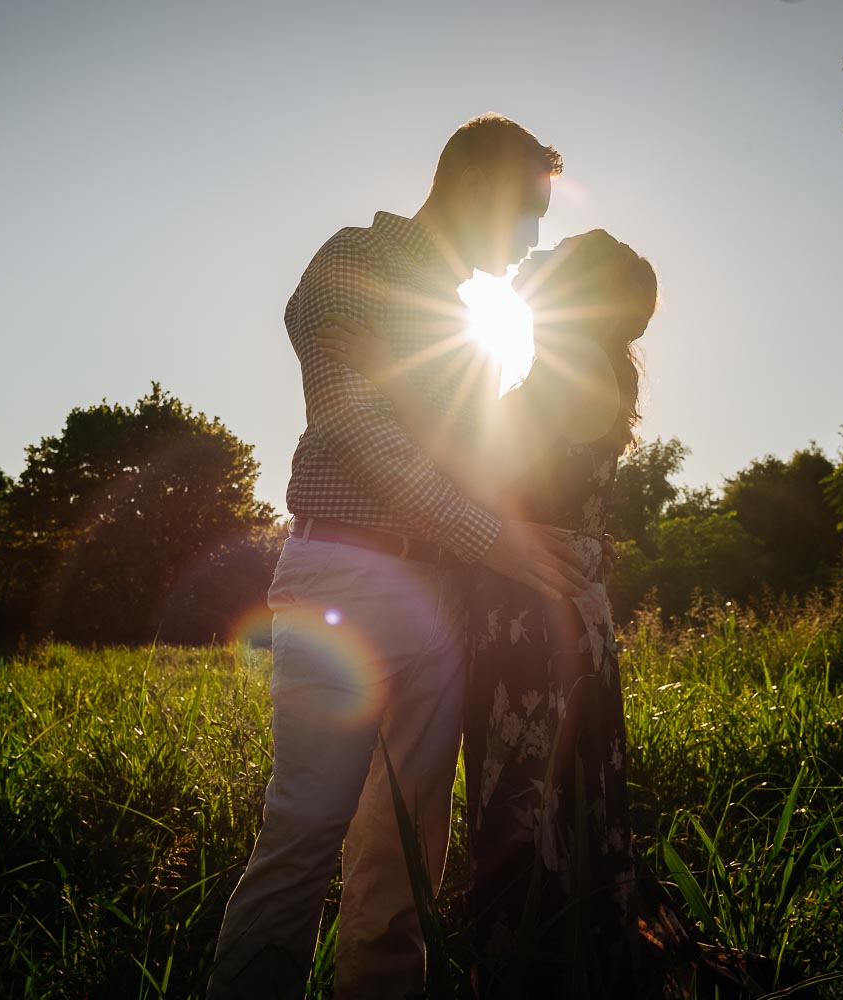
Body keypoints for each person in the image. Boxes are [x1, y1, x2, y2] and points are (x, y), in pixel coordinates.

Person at [319, 231, 786, 996]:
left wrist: (382, 373)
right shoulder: (571, 369)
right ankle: (554, 962)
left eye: (554, 258)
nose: (533, 263)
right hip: (532, 611)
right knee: (547, 806)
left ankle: (544, 972)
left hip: (538, 625)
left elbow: (468, 465)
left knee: (530, 810)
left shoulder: (578, 372)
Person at [206, 114, 590, 1000]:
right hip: (346, 578)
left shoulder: (467, 322)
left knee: (406, 851)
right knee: (305, 829)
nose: (532, 237)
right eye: (526, 212)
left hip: (440, 598)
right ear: (474, 188)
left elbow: (474, 460)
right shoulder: (355, 264)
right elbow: (358, 429)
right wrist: (499, 540)